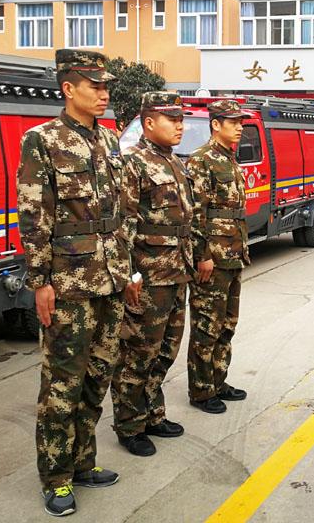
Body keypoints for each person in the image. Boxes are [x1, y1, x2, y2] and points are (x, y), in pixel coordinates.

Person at [16, 50, 129, 517]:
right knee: (63, 383)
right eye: (94, 86)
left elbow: (122, 211)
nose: (103, 94)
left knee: (98, 377)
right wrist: (40, 280)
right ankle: (56, 478)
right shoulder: (41, 140)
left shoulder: (109, 139)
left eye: (106, 87)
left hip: (111, 279)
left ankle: (83, 462)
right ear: (68, 88)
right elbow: (33, 214)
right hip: (68, 283)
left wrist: (128, 272)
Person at [110, 92, 194, 456]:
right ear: (148, 122)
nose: (180, 126)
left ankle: (153, 415)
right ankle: (129, 425)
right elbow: (123, 222)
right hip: (149, 275)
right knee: (139, 352)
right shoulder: (133, 162)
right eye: (172, 119)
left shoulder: (174, 162)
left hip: (177, 271)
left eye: (181, 119)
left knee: (165, 350)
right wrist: (129, 273)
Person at [187, 100, 251, 414]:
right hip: (213, 256)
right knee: (206, 326)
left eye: (241, 122)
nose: (239, 127)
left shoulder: (230, 159)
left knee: (227, 324)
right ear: (216, 124)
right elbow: (196, 213)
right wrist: (202, 255)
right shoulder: (201, 160)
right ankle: (201, 391)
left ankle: (218, 380)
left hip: (234, 253)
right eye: (233, 122)